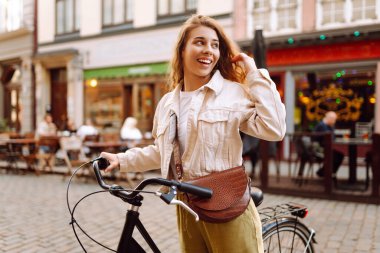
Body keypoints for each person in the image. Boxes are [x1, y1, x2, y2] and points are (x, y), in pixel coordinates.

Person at [100, 15, 286, 253]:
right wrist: (122, 159)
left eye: (215, 45)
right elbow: (162, 152)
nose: (208, 50)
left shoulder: (233, 93)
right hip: (187, 207)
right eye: (199, 42)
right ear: (182, 50)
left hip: (228, 207)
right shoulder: (168, 103)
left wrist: (255, 75)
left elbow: (275, 129)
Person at [314, 111, 344, 177]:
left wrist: (332, 127)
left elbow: (332, 137)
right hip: (319, 150)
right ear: (330, 119)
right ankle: (326, 173)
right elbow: (331, 138)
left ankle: (324, 172)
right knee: (337, 156)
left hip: (324, 148)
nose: (335, 122)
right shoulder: (322, 126)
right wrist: (332, 127)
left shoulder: (326, 125)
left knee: (339, 155)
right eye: (334, 120)